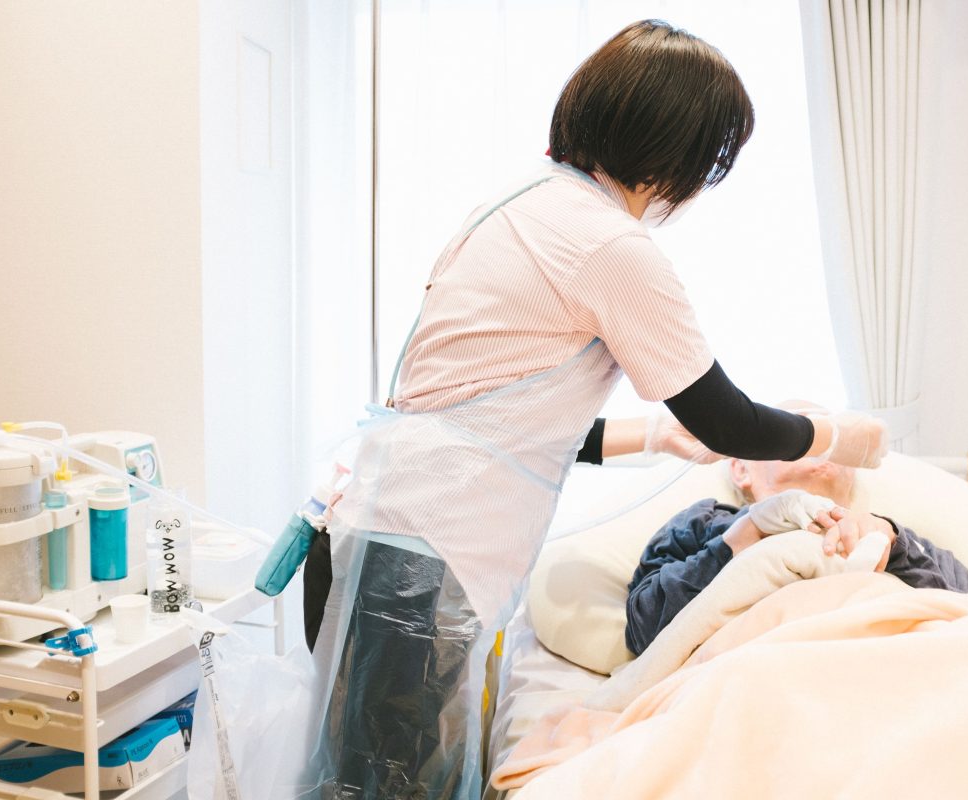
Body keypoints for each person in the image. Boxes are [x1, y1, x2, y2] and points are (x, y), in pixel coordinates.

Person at [302, 20, 889, 800]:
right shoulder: (612, 248)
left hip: (380, 532)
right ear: (679, 152)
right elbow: (728, 422)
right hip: (421, 558)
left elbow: (495, 421)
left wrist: (655, 437)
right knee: (383, 787)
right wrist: (841, 436)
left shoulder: (519, 206)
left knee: (363, 778)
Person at [624, 455, 968, 655]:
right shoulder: (704, 523)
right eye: (798, 428)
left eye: (833, 439)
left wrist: (894, 546)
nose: (821, 444)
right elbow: (644, 631)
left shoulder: (897, 539)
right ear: (741, 467)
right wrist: (741, 538)